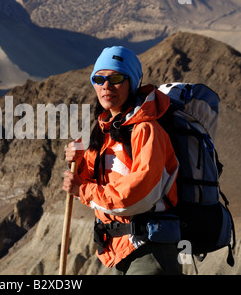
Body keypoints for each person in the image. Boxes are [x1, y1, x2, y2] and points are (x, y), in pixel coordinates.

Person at [62, 46, 182, 275]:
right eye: (99, 79)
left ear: (132, 83)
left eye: (116, 78)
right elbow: (93, 189)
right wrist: (79, 164)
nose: (106, 86)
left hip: (150, 250)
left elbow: (141, 193)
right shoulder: (104, 133)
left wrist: (82, 189)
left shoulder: (146, 129)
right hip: (122, 250)